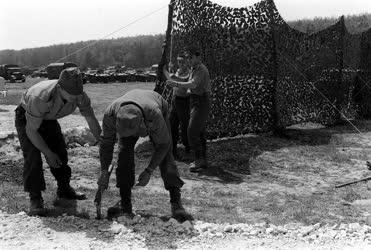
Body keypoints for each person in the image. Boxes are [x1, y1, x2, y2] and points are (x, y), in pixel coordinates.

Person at [15, 67, 102, 216]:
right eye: (72, 95)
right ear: (60, 88)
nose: (76, 98)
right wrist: (47, 153)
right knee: (33, 157)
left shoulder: (80, 95)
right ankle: (35, 198)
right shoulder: (41, 97)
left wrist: (103, 142)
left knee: (60, 153)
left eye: (78, 94)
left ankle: (64, 189)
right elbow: (31, 131)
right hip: (28, 119)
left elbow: (91, 119)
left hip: (49, 118)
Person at [98, 89, 192, 221]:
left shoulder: (154, 115)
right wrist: (103, 171)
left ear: (142, 124)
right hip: (135, 112)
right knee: (124, 154)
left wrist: (149, 170)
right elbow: (106, 144)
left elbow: (163, 145)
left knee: (166, 156)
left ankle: (176, 202)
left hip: (155, 106)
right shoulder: (111, 114)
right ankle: (125, 204)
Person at [164, 47, 211, 173]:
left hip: (201, 101)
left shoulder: (201, 69)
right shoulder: (194, 69)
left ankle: (199, 160)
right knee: (198, 132)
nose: (188, 60)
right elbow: (186, 80)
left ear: (198, 57)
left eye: (190, 58)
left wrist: (176, 84)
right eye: (188, 58)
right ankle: (202, 160)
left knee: (191, 132)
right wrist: (173, 78)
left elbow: (193, 84)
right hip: (196, 101)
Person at [169, 53, 191, 159]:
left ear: (187, 62)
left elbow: (185, 80)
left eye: (182, 61)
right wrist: (170, 73)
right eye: (179, 61)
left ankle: (188, 148)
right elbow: (172, 78)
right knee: (172, 125)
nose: (180, 63)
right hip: (175, 100)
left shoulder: (189, 72)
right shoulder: (177, 71)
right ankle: (173, 150)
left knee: (185, 126)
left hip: (184, 101)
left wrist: (174, 78)